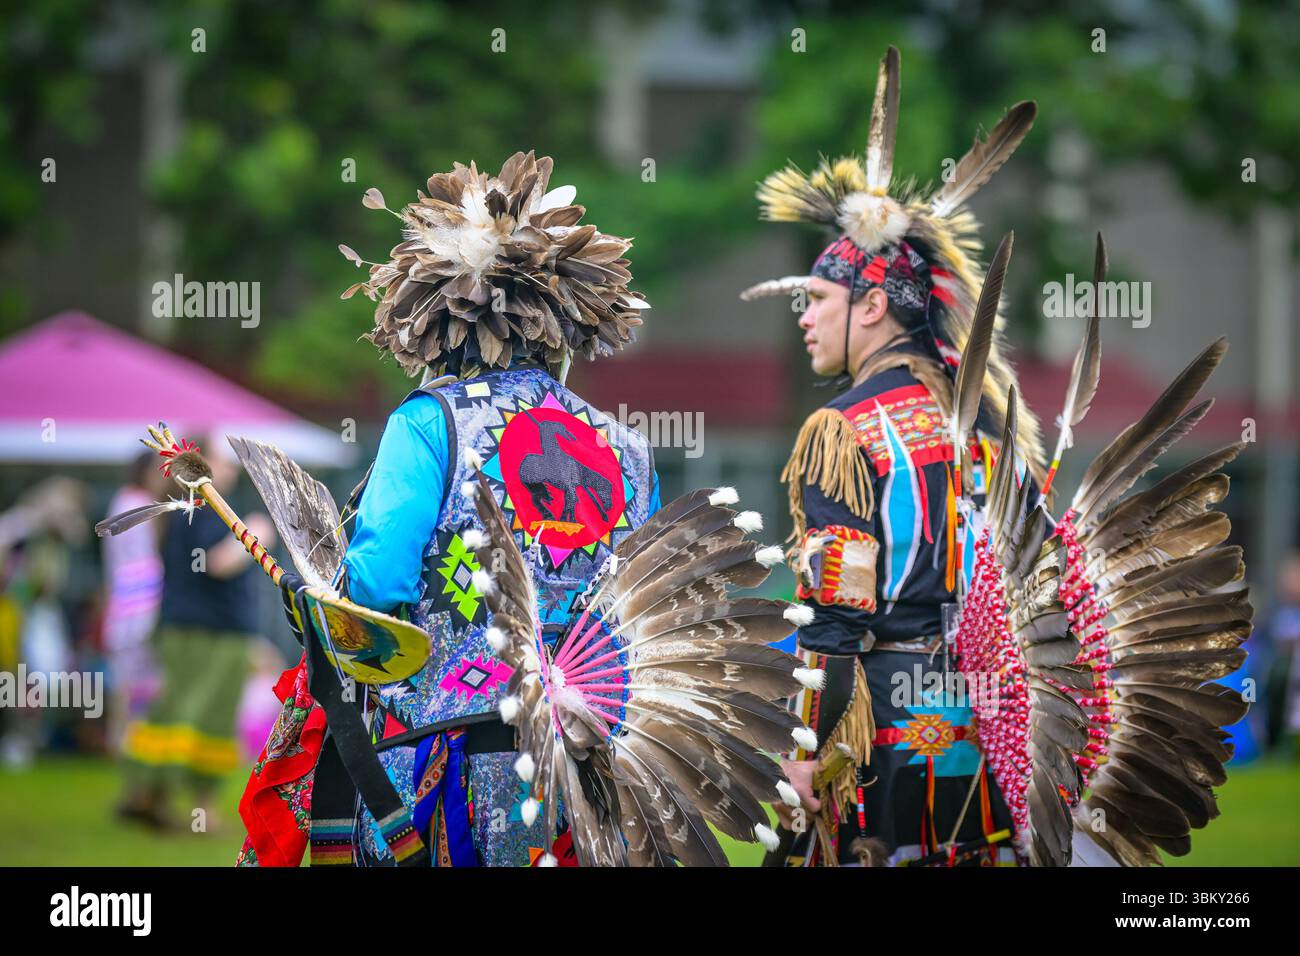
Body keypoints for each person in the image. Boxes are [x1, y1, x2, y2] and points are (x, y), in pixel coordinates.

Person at [237, 151, 661, 867]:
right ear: (566, 318)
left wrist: (317, 605)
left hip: (443, 761)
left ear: (440, 320)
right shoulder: (629, 446)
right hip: (590, 773)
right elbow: (641, 609)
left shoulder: (430, 421)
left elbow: (375, 588)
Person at [741, 47, 1044, 865]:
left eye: (818, 301)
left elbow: (835, 624)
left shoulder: (843, 431)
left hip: (879, 733)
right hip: (992, 733)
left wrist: (810, 751)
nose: (803, 318)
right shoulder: (992, 427)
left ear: (873, 306)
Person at [120, 440, 276, 830]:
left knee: (181, 713)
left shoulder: (182, 511)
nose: (233, 467)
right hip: (208, 632)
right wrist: (256, 533)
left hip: (193, 627)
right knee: (199, 718)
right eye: (224, 460)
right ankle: (180, 803)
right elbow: (218, 563)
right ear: (202, 463)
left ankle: (154, 796)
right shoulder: (201, 512)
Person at [102, 452, 169, 752]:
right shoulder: (137, 504)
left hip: (125, 602)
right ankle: (129, 740)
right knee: (139, 680)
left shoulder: (122, 501)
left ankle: (124, 740)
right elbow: (144, 558)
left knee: (128, 680)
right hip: (140, 602)